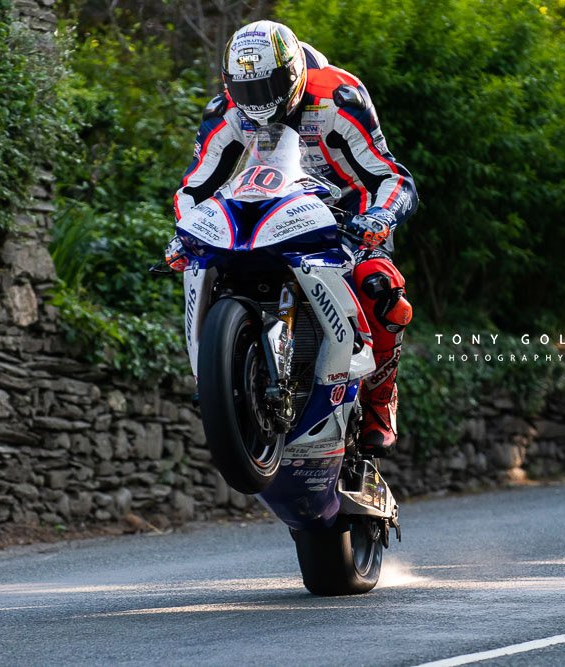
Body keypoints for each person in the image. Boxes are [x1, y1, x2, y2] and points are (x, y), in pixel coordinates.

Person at [169, 20, 418, 457]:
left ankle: (380, 400)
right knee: (201, 263)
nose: (257, 101)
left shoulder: (339, 98)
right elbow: (195, 187)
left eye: (268, 85)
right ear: (229, 83)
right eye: (246, 90)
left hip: (346, 218)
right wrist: (184, 236)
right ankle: (223, 379)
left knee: (380, 286)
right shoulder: (224, 112)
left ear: (291, 73)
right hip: (262, 216)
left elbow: (391, 177)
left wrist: (379, 217)